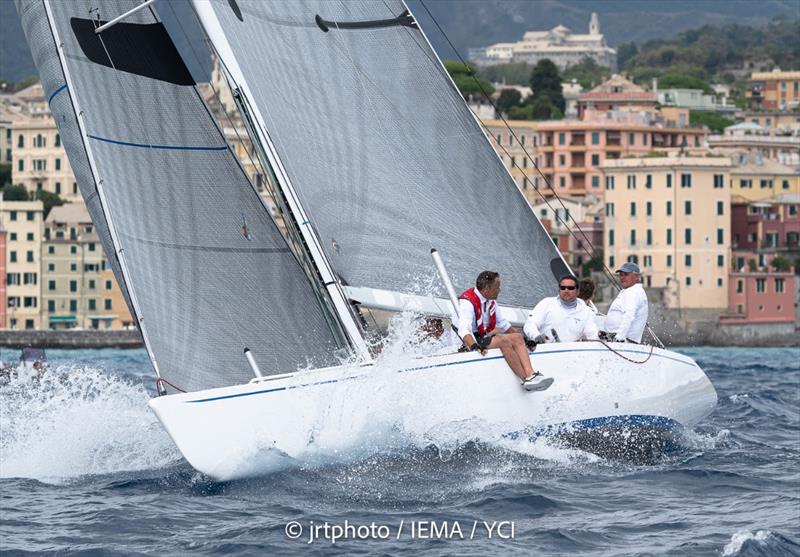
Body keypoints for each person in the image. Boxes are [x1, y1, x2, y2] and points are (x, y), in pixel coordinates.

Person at [456, 271, 553, 392]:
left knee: (517, 336)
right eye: (497, 287)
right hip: (469, 341)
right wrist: (474, 346)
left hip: (483, 337)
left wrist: (525, 340)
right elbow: (463, 329)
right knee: (503, 341)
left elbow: (504, 324)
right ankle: (525, 380)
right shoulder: (467, 302)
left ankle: (531, 375)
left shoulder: (491, 301)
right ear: (487, 288)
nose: (500, 290)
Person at [524, 275, 599, 344]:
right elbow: (530, 324)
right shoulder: (546, 303)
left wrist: (603, 336)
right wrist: (536, 336)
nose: (566, 290)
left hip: (572, 354)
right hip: (545, 350)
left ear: (577, 291)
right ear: (559, 290)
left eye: (570, 288)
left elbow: (592, 334)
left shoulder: (587, 311)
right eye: (563, 288)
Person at [603, 262, 649, 343]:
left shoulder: (632, 292)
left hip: (623, 340)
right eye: (621, 275)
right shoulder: (634, 290)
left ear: (636, 277)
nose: (622, 277)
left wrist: (619, 337)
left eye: (626, 274)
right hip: (623, 339)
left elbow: (629, 315)